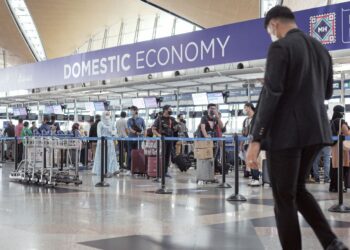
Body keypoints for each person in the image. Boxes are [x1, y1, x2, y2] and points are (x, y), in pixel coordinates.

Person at [246, 6, 347, 250]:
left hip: (287, 134)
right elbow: (327, 92)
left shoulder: (280, 47)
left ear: (274, 25)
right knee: (297, 191)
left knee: (283, 197)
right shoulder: (321, 49)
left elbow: (273, 93)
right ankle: (332, 242)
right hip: (316, 131)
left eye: (269, 30)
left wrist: (256, 138)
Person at [152, 105, 178, 177]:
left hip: (170, 139)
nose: (171, 111)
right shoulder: (159, 119)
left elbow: (175, 128)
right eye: (170, 109)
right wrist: (159, 135)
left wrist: (177, 128)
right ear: (165, 110)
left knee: (167, 156)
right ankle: (160, 172)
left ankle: (165, 172)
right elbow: (153, 129)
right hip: (162, 140)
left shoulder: (172, 119)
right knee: (162, 155)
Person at [329, 105, 350, 193]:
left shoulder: (332, 121)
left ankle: (333, 187)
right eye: (342, 111)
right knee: (341, 166)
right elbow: (347, 133)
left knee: (335, 166)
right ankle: (338, 187)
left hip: (334, 147)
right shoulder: (341, 121)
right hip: (341, 147)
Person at [92, 111, 119, 177]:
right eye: (106, 114)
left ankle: (112, 170)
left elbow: (115, 130)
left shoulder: (111, 122)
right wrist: (101, 140)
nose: (107, 115)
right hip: (102, 143)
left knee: (111, 156)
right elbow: (99, 133)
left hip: (110, 142)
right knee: (102, 156)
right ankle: (102, 170)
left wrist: (113, 132)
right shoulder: (100, 123)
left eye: (108, 114)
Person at [242, 103, 261, 186]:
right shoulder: (246, 120)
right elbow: (245, 133)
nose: (244, 109)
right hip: (247, 142)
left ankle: (256, 178)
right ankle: (253, 178)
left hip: (255, 141)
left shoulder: (257, 118)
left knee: (254, 160)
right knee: (250, 160)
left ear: (249, 108)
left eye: (245, 107)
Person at [127, 106, 146, 175]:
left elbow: (144, 128)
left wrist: (144, 136)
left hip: (139, 139)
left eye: (132, 110)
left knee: (138, 153)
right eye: (130, 111)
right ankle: (129, 169)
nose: (131, 112)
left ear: (135, 111)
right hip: (131, 138)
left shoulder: (141, 119)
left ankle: (138, 168)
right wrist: (135, 132)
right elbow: (129, 129)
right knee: (130, 153)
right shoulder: (129, 120)